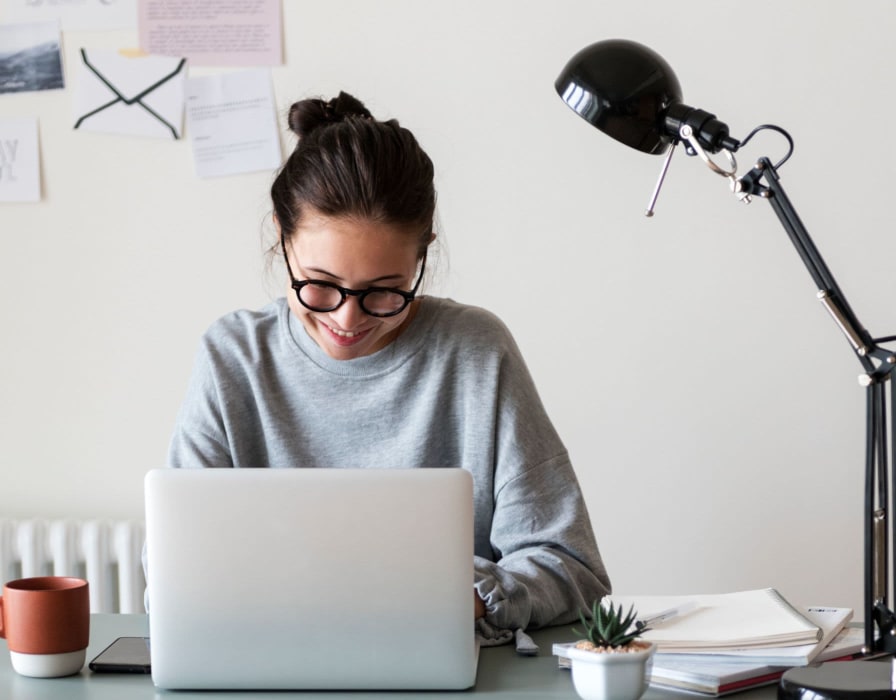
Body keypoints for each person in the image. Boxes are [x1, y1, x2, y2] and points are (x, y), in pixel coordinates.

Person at [165, 91, 611, 640]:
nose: (348, 319)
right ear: (282, 239)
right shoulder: (233, 356)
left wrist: (463, 598)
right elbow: (173, 567)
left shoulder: (476, 352)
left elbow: (571, 567)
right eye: (320, 285)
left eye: (384, 292)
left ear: (420, 259)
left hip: (441, 666)